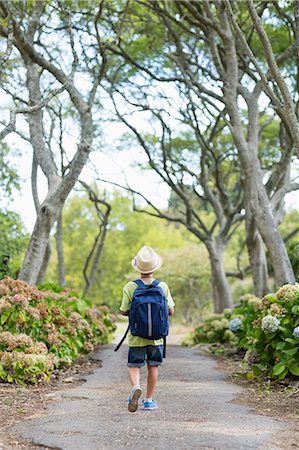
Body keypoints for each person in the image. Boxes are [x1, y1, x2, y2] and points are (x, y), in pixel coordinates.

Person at [119, 245, 175, 412]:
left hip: (137, 336)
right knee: (153, 366)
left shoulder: (130, 287)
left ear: (138, 267)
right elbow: (170, 311)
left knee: (134, 365)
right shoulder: (162, 286)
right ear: (155, 267)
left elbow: (123, 311)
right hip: (157, 337)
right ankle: (149, 400)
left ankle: (136, 386)